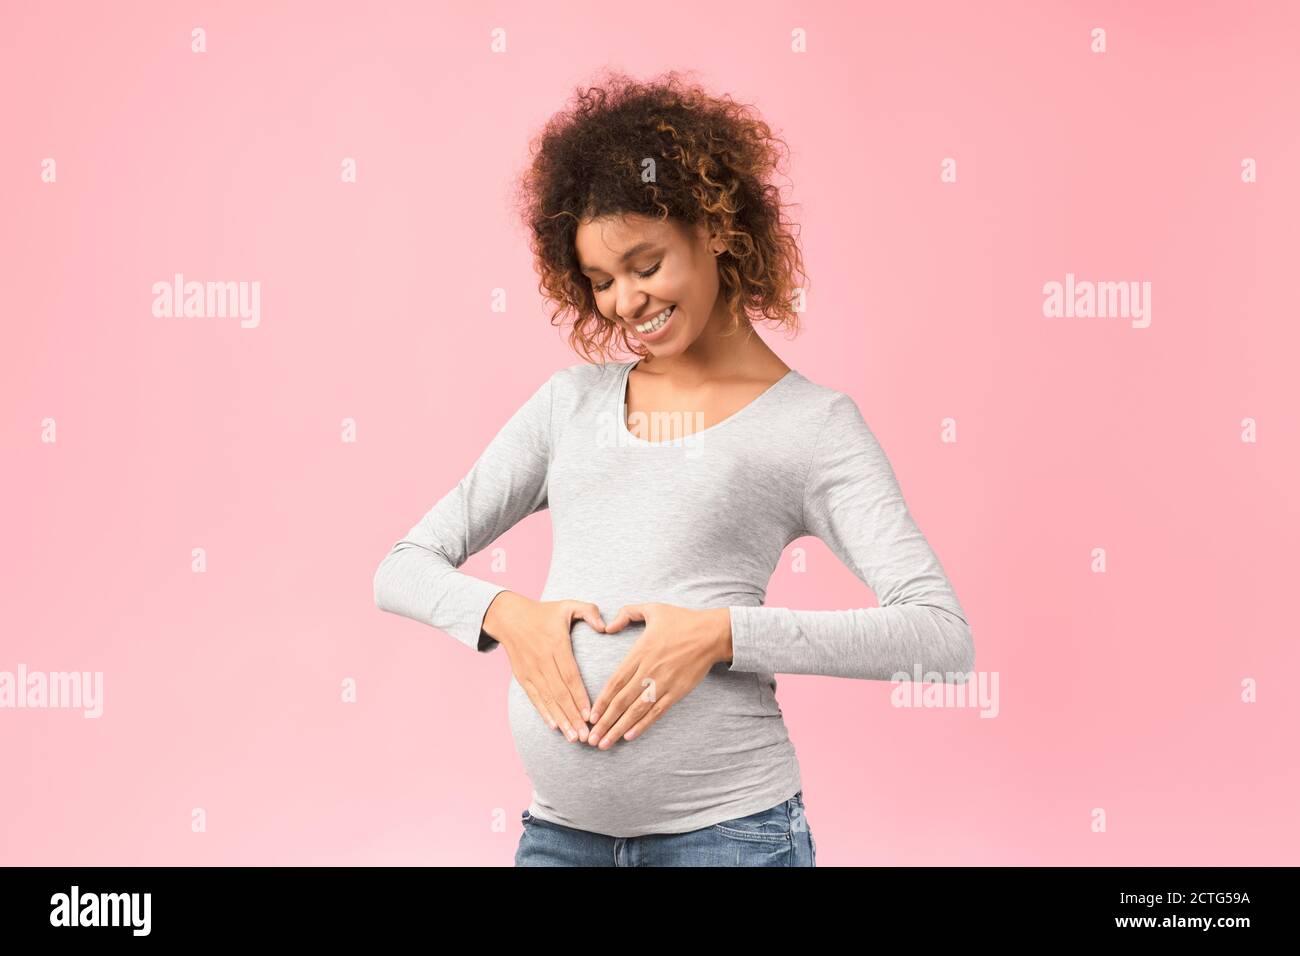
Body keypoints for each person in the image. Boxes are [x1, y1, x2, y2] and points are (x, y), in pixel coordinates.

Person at [373, 69, 973, 867]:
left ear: (717, 228)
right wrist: (511, 617)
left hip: (731, 840)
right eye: (600, 282)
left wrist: (722, 636)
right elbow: (400, 568)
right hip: (559, 839)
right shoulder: (568, 406)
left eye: (644, 265)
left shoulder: (815, 427)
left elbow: (938, 640)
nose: (623, 302)